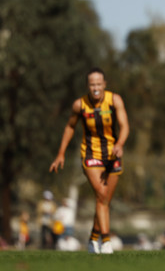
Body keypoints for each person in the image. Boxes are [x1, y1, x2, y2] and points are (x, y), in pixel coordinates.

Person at [49, 67, 130, 254]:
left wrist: (120, 143)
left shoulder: (114, 100)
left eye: (98, 84)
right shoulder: (79, 105)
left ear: (104, 85)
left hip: (112, 154)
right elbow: (70, 127)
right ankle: (106, 241)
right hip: (91, 154)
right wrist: (61, 153)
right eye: (92, 84)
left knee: (105, 201)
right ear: (88, 85)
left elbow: (125, 126)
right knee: (101, 194)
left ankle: (93, 239)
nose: (95, 88)